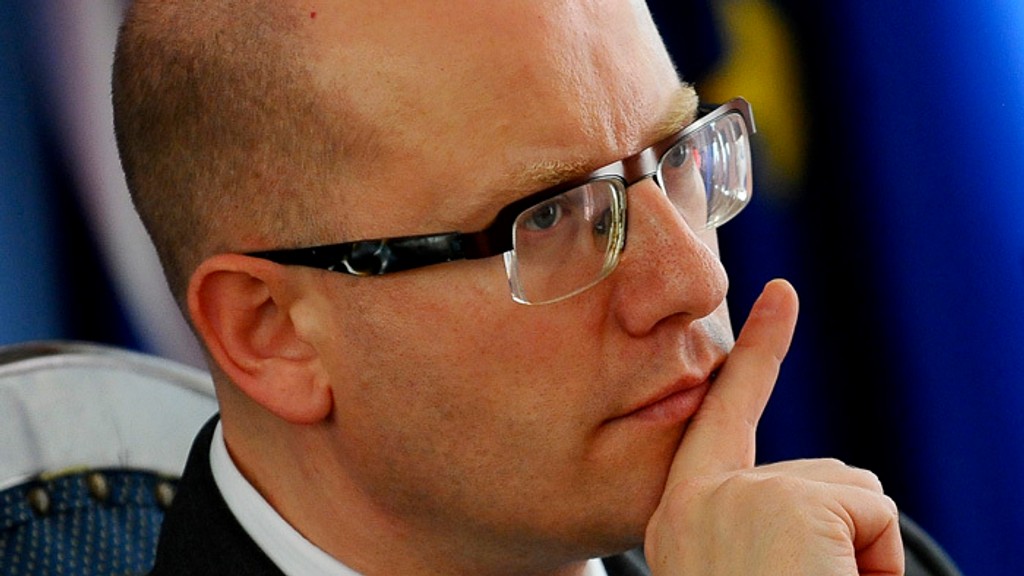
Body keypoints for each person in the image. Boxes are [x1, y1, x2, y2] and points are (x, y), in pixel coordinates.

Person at [110, 1, 919, 574]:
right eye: (551, 217)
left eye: (677, 157)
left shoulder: (837, 554)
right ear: (272, 332)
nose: (697, 281)